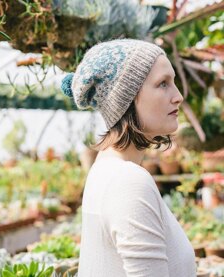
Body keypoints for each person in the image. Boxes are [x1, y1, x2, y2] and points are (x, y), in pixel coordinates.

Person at [61, 39, 196, 276]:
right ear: (127, 97)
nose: (177, 96)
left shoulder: (106, 169)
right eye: (162, 84)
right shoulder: (128, 181)